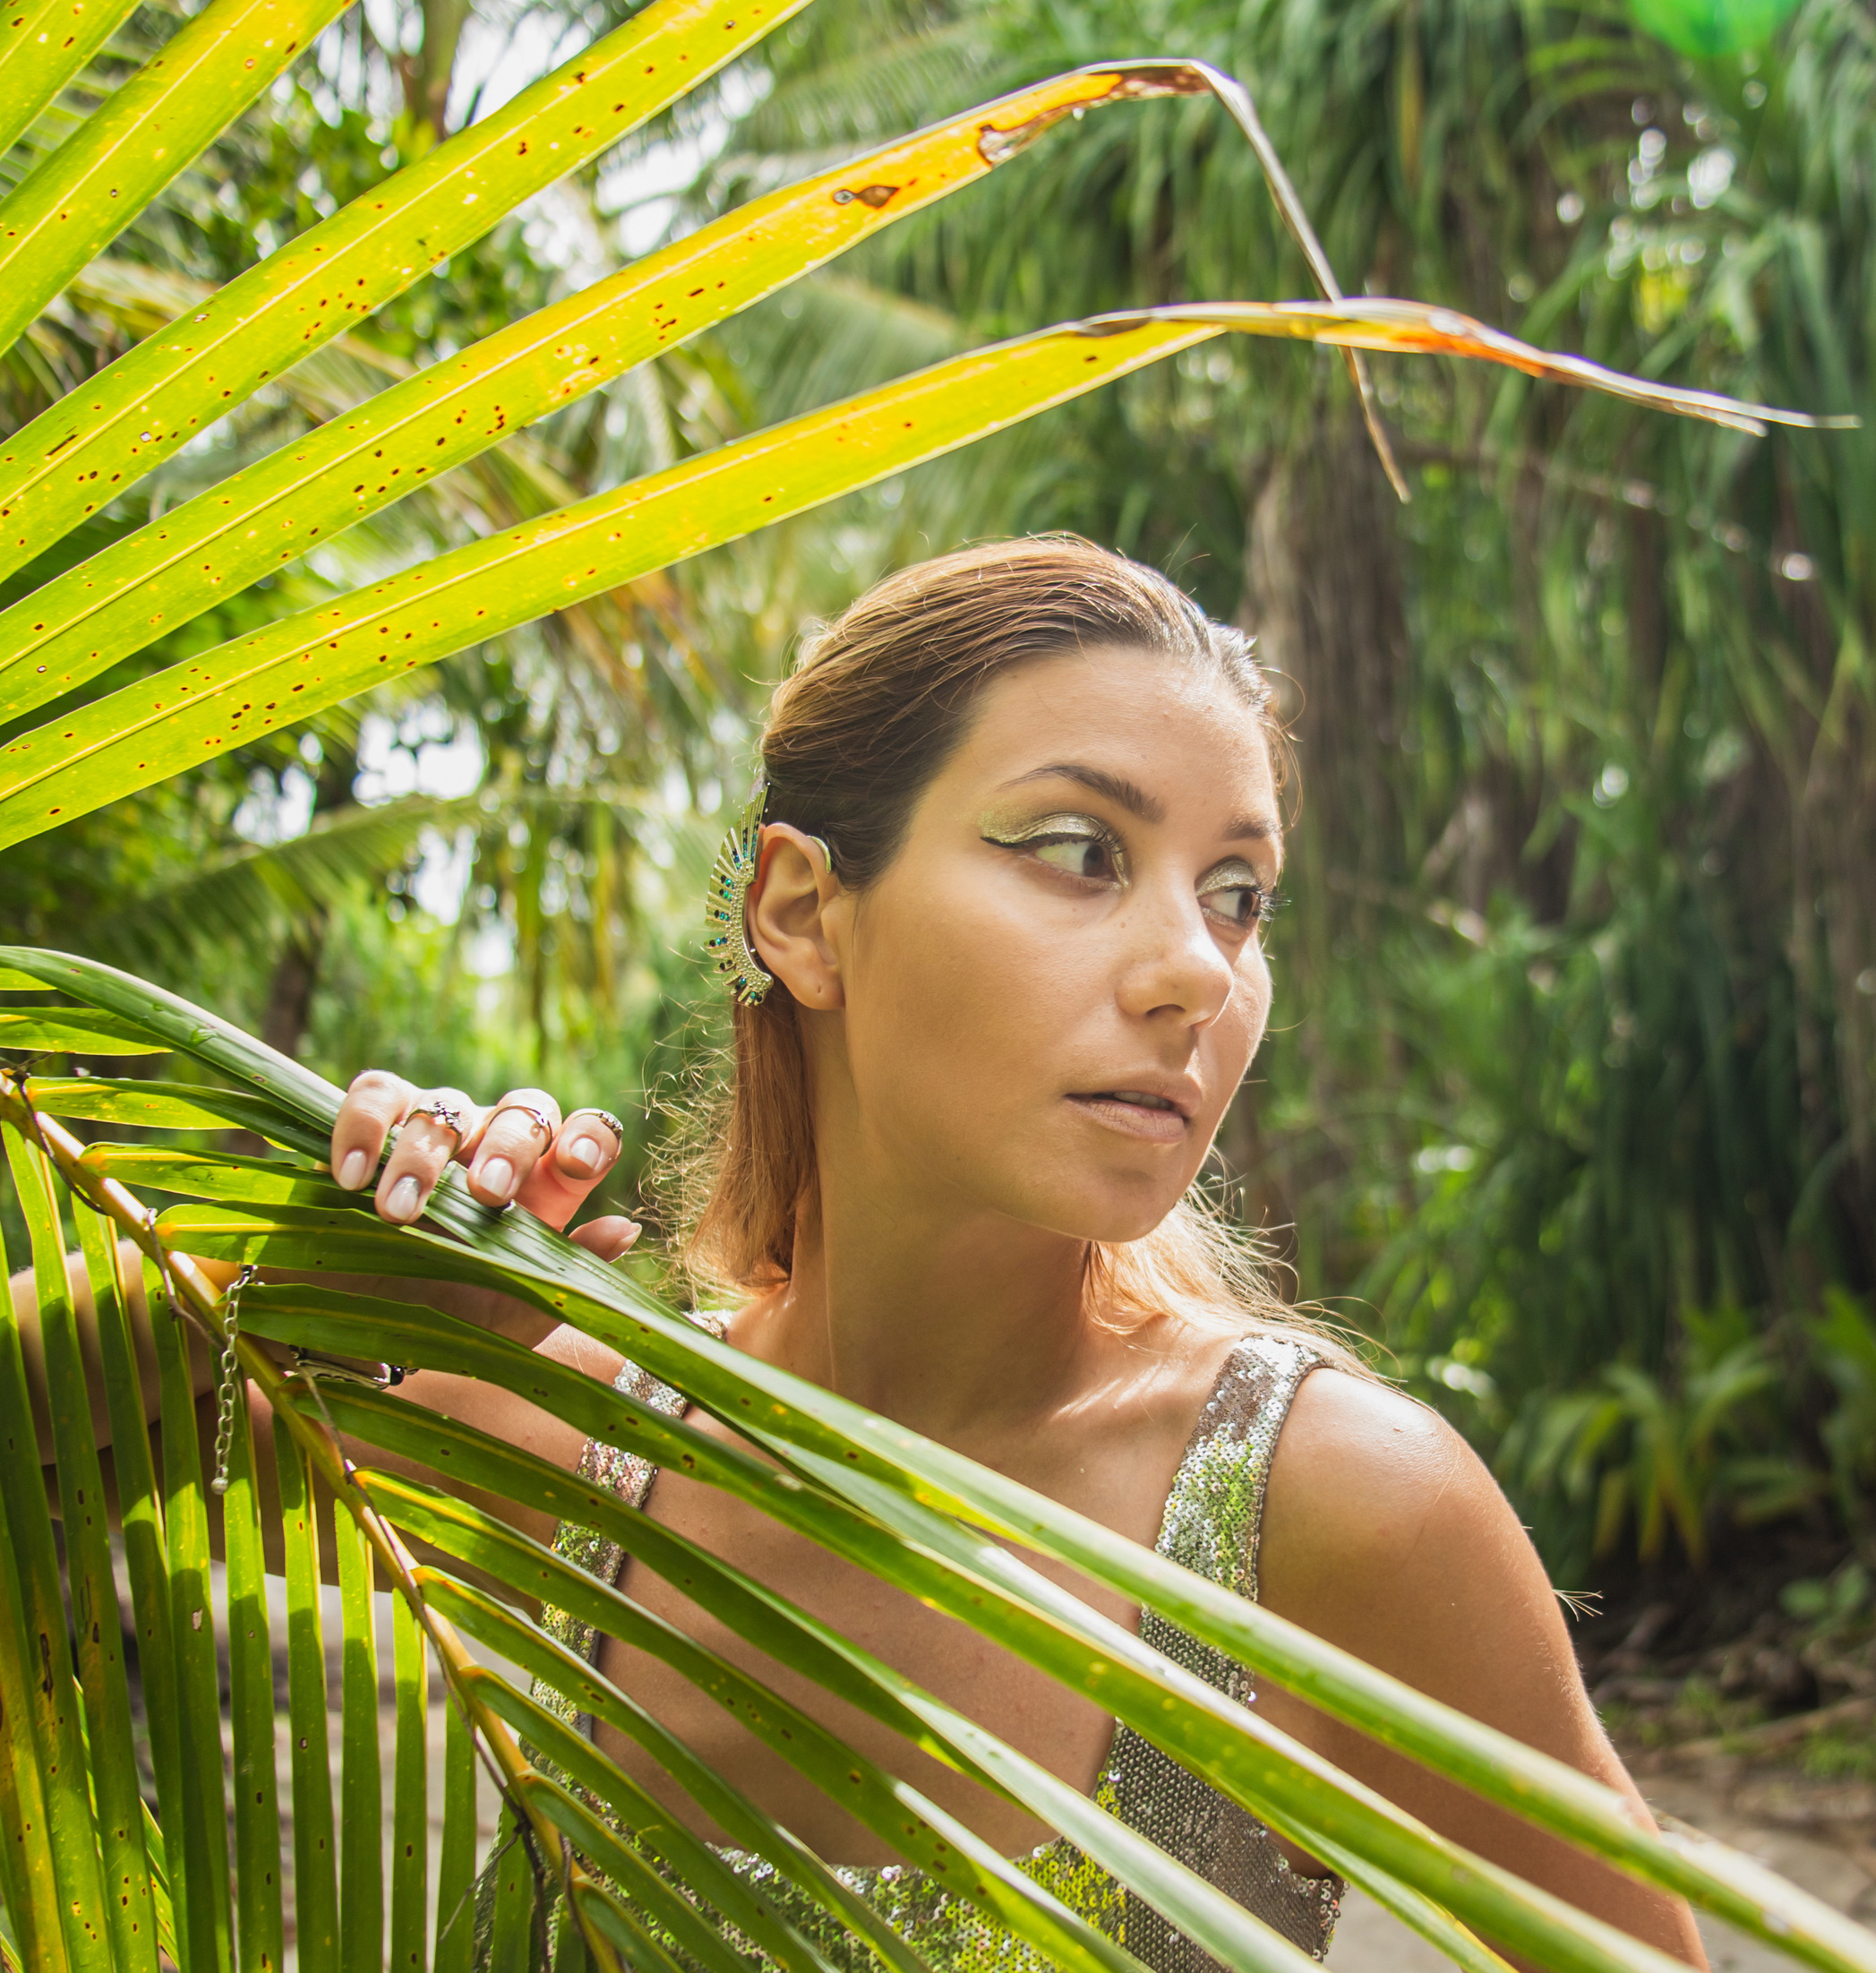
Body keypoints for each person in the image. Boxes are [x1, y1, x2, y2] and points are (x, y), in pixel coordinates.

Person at [20, 537, 1704, 1971]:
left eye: (1241, 893)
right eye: (1079, 852)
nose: (1198, 969)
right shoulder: (563, 1439)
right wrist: (282, 1293)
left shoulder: (1328, 1512)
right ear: (803, 914)